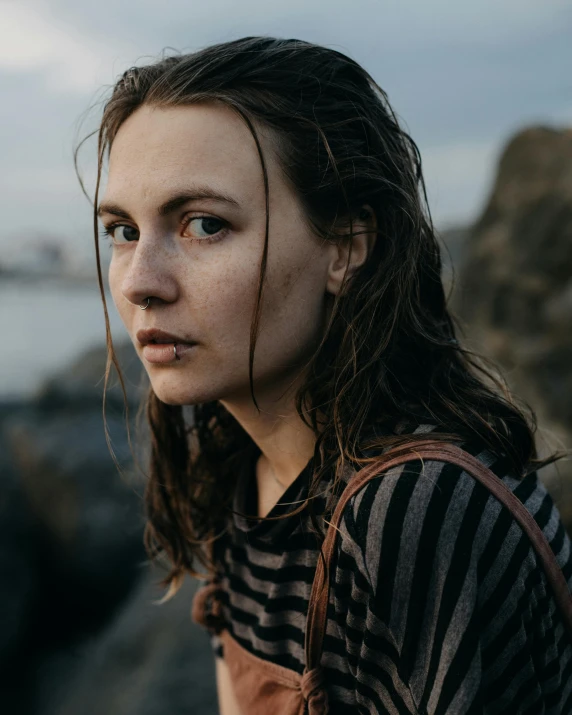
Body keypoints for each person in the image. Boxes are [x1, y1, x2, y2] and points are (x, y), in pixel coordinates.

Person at [81, 36, 572, 714]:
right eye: (122, 230)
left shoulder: (418, 509)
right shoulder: (237, 471)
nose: (138, 282)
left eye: (203, 224)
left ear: (345, 246)